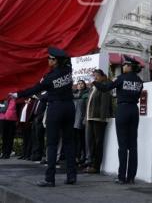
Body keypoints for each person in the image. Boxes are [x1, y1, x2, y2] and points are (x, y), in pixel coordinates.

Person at [9, 46, 76, 187]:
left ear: (56, 61)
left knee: (51, 144)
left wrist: (18, 94)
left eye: (50, 59)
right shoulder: (68, 71)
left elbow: (35, 89)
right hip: (69, 107)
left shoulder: (50, 77)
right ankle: (71, 176)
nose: (48, 60)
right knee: (69, 143)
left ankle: (49, 179)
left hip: (56, 108)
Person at [93, 55, 143, 184]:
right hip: (134, 110)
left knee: (122, 145)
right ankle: (131, 177)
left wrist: (94, 82)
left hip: (123, 110)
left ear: (129, 66)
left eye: (125, 65)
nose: (123, 66)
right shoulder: (139, 80)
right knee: (133, 145)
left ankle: (121, 176)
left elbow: (105, 88)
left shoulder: (121, 78)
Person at [84, 70, 112, 173]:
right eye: (93, 76)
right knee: (90, 142)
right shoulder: (93, 88)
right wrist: (85, 118)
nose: (94, 78)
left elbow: (105, 104)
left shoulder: (104, 87)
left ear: (102, 77)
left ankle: (96, 166)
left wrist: (102, 117)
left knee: (98, 142)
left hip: (98, 119)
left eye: (96, 76)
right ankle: (90, 163)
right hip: (89, 118)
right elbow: (88, 104)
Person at [73, 80, 89, 166]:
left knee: (81, 140)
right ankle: (76, 156)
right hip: (73, 120)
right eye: (78, 83)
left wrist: (84, 119)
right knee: (75, 140)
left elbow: (86, 107)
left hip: (81, 120)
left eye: (81, 83)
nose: (80, 85)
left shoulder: (86, 94)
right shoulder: (74, 94)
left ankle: (82, 157)